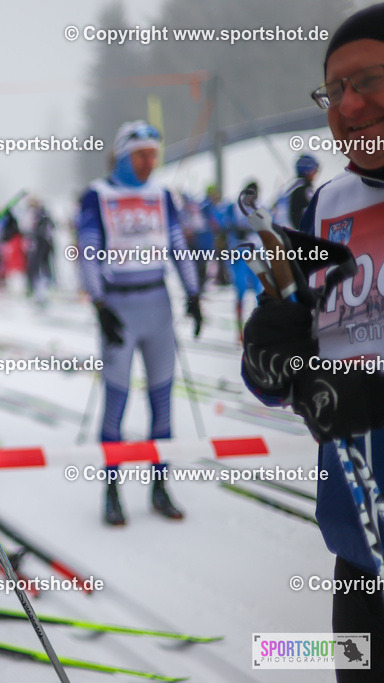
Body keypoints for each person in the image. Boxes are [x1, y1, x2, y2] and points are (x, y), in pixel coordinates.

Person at [242, 6, 384, 678]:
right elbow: (304, 359)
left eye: (371, 79)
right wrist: (271, 359)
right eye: (335, 89)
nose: (350, 104)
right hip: (357, 545)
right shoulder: (328, 205)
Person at [76, 120, 202, 526]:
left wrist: (194, 293)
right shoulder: (98, 194)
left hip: (157, 303)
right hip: (119, 307)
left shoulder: (161, 194)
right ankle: (111, 489)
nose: (149, 162)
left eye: (154, 154)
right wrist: (98, 302)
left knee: (162, 403)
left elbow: (178, 245)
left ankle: (160, 485)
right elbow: (88, 250)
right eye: (141, 155)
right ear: (123, 154)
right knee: (117, 402)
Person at [226, 181, 265, 340]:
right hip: (240, 256)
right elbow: (225, 225)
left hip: (257, 254)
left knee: (260, 293)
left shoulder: (262, 208)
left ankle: (260, 327)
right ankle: (240, 330)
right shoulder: (234, 208)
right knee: (240, 292)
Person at [273, 154, 320, 229]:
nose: (316, 172)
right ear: (308, 171)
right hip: (294, 235)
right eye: (314, 169)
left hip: (280, 233)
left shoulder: (289, 187)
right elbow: (316, 211)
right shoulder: (305, 189)